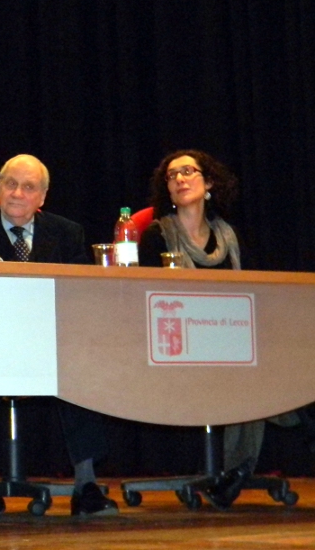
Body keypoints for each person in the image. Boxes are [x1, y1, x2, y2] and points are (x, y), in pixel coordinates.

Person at [0, 154, 118, 517]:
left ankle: (86, 484)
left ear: (43, 197)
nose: (18, 193)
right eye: (10, 184)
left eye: (28, 187)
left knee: (80, 359)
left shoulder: (67, 233)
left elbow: (81, 295)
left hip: (48, 338)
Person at [138, 149, 261, 508]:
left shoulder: (231, 236)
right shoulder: (157, 236)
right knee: (256, 373)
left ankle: (236, 470)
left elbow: (253, 292)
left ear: (208, 183)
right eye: (172, 175)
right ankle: (235, 471)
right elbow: (148, 299)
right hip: (178, 342)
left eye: (188, 172)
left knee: (274, 368)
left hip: (230, 337)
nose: (179, 179)